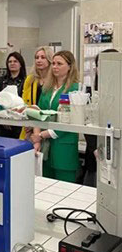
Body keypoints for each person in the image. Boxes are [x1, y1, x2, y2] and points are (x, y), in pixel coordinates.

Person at [30, 50, 80, 182]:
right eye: (53, 63)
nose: (55, 67)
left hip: (63, 147)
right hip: (45, 147)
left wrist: (42, 135)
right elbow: (38, 113)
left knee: (65, 188)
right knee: (45, 186)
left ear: (69, 67)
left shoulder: (75, 89)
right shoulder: (47, 88)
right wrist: (37, 139)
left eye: (59, 64)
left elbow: (70, 121)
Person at [81, 49, 119, 186]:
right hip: (95, 156)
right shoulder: (91, 93)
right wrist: (95, 150)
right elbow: (86, 122)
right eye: (99, 65)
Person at [20, 47, 54, 140]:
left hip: (48, 124)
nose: (39, 60)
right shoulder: (30, 79)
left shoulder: (54, 80)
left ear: (50, 60)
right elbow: (24, 102)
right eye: (37, 57)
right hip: (30, 122)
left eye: (43, 57)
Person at [0, 52, 27, 139]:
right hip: (1, 123)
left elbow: (26, 102)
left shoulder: (26, 81)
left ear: (21, 64)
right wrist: (4, 118)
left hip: (19, 123)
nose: (12, 63)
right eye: (10, 61)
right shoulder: (1, 80)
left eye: (15, 61)